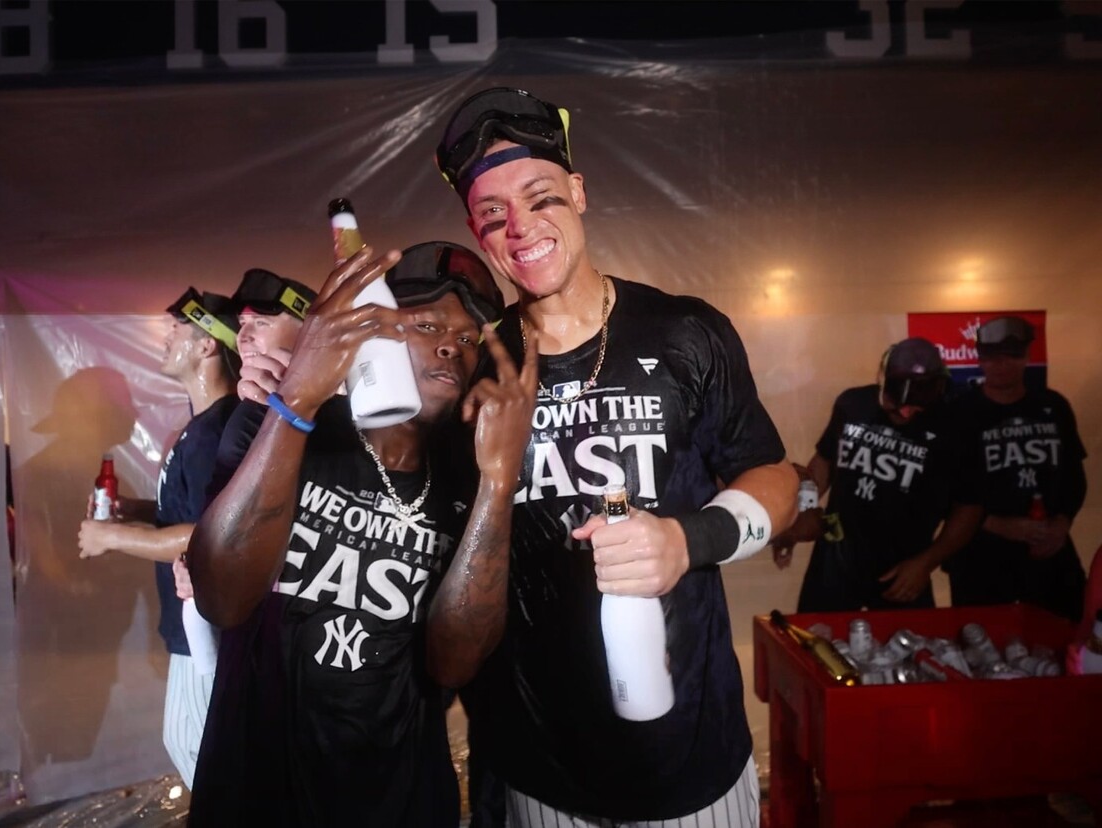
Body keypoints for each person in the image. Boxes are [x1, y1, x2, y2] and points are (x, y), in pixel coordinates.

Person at [433, 87, 798, 827]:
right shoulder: (477, 369)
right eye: (493, 215)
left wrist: (684, 540)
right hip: (542, 770)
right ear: (478, 231)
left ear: (578, 191)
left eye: (541, 199)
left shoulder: (685, 332)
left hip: (689, 760)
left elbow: (777, 480)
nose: (521, 228)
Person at [186, 241, 535, 827]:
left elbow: (455, 664)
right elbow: (220, 597)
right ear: (378, 332)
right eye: (426, 324)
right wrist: (295, 399)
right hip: (259, 793)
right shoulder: (278, 420)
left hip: (400, 801)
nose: (453, 344)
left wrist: (499, 485)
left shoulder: (468, 469)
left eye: (470, 337)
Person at [75, 288, 241, 789]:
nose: (166, 336)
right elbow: (191, 514)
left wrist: (113, 536)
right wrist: (137, 511)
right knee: (191, 744)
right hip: (192, 625)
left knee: (202, 754)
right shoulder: (202, 428)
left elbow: (207, 536)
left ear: (208, 347)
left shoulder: (215, 432)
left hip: (203, 625)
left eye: (178, 329)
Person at [772, 337, 983, 611]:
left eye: (916, 406)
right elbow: (825, 461)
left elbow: (969, 507)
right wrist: (796, 518)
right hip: (835, 562)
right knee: (817, 643)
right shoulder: (852, 404)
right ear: (883, 380)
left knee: (903, 650)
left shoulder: (953, 429)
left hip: (903, 571)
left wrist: (927, 562)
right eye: (895, 402)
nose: (905, 412)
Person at [944, 315, 1088, 621]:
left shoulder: (1053, 405)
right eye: (993, 357)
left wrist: (1063, 522)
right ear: (980, 359)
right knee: (985, 648)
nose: (1002, 364)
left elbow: (1074, 476)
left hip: (1050, 553)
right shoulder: (958, 413)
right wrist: (998, 524)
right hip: (981, 559)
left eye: (1013, 355)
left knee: (1066, 641)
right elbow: (942, 489)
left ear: (1027, 356)